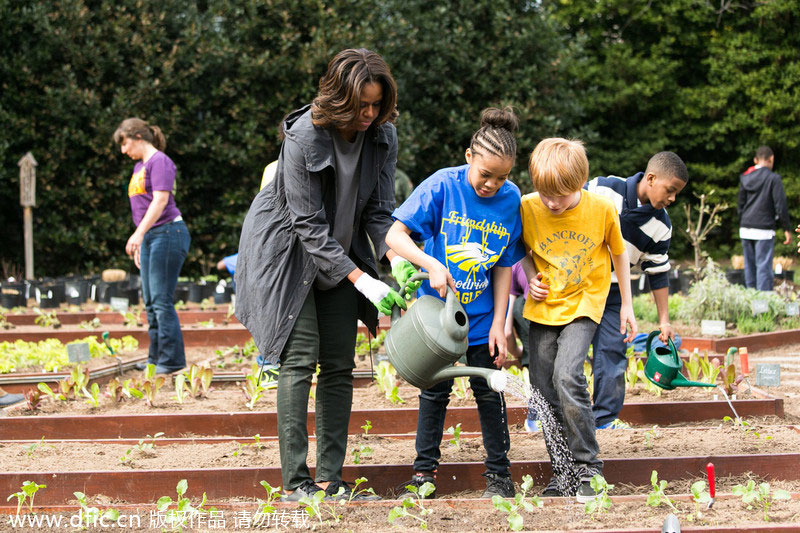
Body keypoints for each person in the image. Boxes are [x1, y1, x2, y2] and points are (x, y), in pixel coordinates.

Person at [235, 48, 417, 502]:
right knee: (298, 362)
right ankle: (297, 484)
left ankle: (332, 481)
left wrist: (396, 261)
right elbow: (307, 227)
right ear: (339, 98)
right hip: (287, 255)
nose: (369, 114)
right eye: (361, 106)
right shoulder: (302, 137)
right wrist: (365, 281)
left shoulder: (383, 136)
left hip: (342, 254)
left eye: (377, 105)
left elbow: (378, 212)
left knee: (339, 364)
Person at [386, 107, 525, 500]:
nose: (492, 185)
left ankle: (499, 478)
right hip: (438, 321)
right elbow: (394, 236)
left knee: (489, 392)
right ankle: (423, 475)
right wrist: (430, 263)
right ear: (469, 157)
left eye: (502, 177)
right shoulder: (443, 186)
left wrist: (501, 322)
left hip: (481, 320)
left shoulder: (510, 198)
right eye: (485, 175)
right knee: (433, 394)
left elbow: (502, 266)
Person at [520, 138, 637, 502]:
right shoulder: (527, 206)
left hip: (585, 303)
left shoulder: (601, 208)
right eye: (546, 195)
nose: (552, 203)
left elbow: (619, 253)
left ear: (581, 183)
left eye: (562, 195)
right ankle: (563, 471)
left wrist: (629, 306)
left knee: (567, 375)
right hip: (543, 307)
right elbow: (519, 250)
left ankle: (589, 467)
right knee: (542, 390)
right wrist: (529, 278)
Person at [585, 152, 688, 429]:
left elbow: (658, 274)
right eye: (671, 190)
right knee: (570, 354)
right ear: (651, 179)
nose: (672, 199)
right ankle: (559, 416)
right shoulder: (602, 189)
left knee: (612, 354)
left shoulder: (661, 226)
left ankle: (604, 420)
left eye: (677, 193)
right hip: (579, 288)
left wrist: (664, 320)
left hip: (617, 295)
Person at [113, 118, 191, 374]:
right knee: (150, 302)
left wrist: (138, 235)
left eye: (125, 144)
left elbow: (160, 202)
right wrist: (141, 240)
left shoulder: (160, 162)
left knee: (160, 300)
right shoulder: (139, 167)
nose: (123, 150)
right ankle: (155, 358)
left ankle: (172, 360)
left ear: (137, 137)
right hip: (151, 237)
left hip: (168, 233)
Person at [738, 145, 792, 291]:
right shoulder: (773, 179)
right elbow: (780, 205)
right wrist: (787, 229)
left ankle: (751, 300)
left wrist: (743, 222)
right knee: (763, 267)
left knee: (749, 267)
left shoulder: (745, 177)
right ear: (771, 159)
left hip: (745, 227)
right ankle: (763, 307)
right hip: (764, 228)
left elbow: (740, 205)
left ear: (756, 160)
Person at [505, 260, 538, 432]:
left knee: (538, 368)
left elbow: (507, 331)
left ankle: (536, 417)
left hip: (533, 319)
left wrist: (518, 352)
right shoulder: (518, 264)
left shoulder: (517, 262)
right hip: (541, 317)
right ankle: (536, 416)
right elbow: (507, 331)